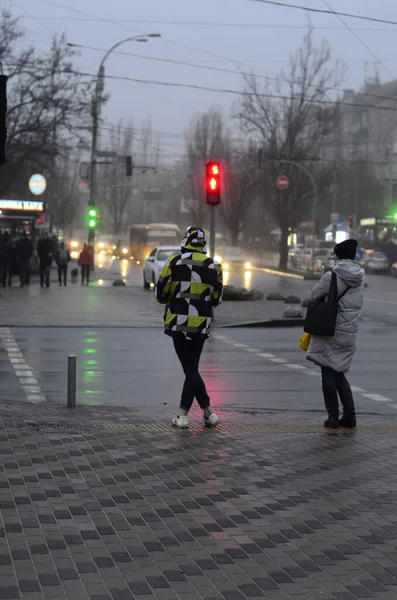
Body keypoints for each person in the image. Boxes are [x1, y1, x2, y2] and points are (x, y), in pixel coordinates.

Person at [156, 226, 223, 429]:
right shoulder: (213, 266)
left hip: (178, 324)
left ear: (186, 240)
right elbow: (217, 299)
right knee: (192, 368)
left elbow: (160, 294)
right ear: (203, 244)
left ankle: (183, 414)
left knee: (190, 369)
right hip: (200, 325)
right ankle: (208, 413)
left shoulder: (174, 262)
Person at [307, 239, 365, 429]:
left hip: (330, 330)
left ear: (338, 256)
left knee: (328, 373)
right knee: (338, 373)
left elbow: (314, 295)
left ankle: (333, 417)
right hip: (349, 333)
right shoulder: (359, 278)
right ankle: (350, 416)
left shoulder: (330, 276)